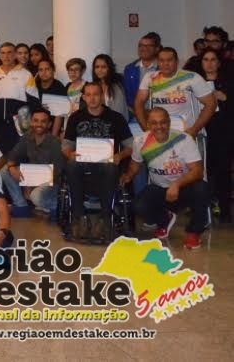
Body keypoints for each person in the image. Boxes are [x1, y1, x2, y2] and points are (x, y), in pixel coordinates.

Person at [121, 108, 209, 249]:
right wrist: (128, 176)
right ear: (148, 125)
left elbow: (198, 171)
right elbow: (135, 165)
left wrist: (177, 184)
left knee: (202, 188)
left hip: (184, 188)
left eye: (163, 122)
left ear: (169, 123)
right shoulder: (140, 141)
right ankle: (164, 220)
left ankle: (194, 232)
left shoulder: (184, 139)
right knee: (138, 205)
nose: (159, 127)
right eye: (154, 123)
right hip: (160, 190)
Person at [63, 82, 133, 243]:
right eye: (88, 95)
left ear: (102, 96)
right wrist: (70, 154)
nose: (92, 98)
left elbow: (130, 146)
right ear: (83, 97)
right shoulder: (75, 117)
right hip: (83, 162)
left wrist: (120, 155)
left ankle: (105, 219)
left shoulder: (116, 118)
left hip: (106, 163)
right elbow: (65, 146)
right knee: (71, 165)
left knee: (111, 167)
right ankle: (79, 217)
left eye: (96, 94)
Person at [134, 47, 216, 138]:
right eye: (162, 60)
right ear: (157, 62)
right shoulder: (150, 77)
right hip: (160, 133)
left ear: (177, 61)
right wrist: (146, 129)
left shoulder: (192, 77)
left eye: (169, 60)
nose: (166, 64)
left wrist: (194, 129)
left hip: (187, 132)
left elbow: (211, 104)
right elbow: (139, 103)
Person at [3, 107, 65, 218]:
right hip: (32, 177)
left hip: (51, 183)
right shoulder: (28, 136)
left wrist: (32, 184)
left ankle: (55, 206)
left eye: (43, 121)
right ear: (31, 122)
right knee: (5, 170)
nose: (39, 124)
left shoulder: (54, 142)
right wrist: (12, 167)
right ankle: (21, 206)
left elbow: (57, 172)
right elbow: (13, 155)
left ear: (49, 124)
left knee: (35, 196)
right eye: (36, 121)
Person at [194, 48, 232, 222]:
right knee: (202, 171)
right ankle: (201, 207)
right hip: (201, 131)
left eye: (213, 59)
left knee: (222, 171)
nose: (209, 63)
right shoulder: (195, 83)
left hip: (223, 133)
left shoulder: (228, 83)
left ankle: (224, 209)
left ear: (219, 62)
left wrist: (225, 98)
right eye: (205, 59)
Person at [0, 42, 40, 153]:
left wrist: (28, 123)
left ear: (15, 55)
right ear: (0, 55)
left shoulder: (25, 74)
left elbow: (34, 101)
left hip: (20, 123)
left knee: (20, 154)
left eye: (9, 52)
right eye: (3, 53)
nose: (6, 56)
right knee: (1, 154)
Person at [123, 32, 161, 120]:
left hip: (159, 116)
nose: (144, 48)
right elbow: (127, 94)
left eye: (148, 46)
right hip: (135, 116)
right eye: (141, 45)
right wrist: (139, 112)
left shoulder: (162, 68)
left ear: (157, 49)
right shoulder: (129, 69)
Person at [91, 54, 129, 120]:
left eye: (103, 67)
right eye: (97, 67)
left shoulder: (116, 86)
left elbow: (119, 112)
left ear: (109, 68)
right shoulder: (93, 86)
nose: (100, 70)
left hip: (115, 123)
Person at [35, 60, 66, 136]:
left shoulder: (59, 87)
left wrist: (53, 137)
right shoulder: (35, 86)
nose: (44, 72)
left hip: (51, 130)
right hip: (35, 128)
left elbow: (59, 116)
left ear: (53, 70)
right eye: (41, 70)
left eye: (47, 69)